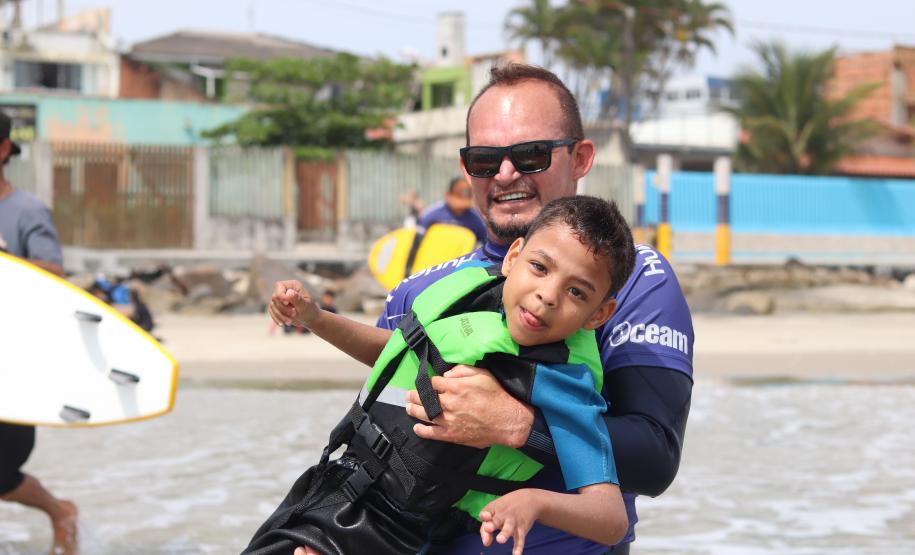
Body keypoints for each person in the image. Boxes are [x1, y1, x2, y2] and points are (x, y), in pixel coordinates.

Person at [276, 63, 694, 555]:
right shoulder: (420, 291)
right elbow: (383, 457)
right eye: (484, 159)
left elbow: (654, 460)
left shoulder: (633, 281)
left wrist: (519, 428)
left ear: (580, 157)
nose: (506, 173)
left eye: (532, 155)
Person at [254, 196, 634, 555]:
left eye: (577, 293)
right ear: (513, 257)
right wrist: (316, 318)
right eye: (539, 267)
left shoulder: (563, 378)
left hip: (390, 532)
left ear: (599, 314)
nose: (548, 295)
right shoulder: (476, 294)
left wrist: (536, 502)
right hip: (330, 483)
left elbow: (610, 518)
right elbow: (401, 352)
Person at [0, 110, 79, 555]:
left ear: (4, 149)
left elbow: (54, 274)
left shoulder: (26, 210)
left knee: (1, 474)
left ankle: (59, 510)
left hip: (12, 364)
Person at [418, 176, 487, 244]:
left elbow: (484, 242)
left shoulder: (476, 219)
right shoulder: (431, 214)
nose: (462, 200)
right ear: (448, 194)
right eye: (459, 195)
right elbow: (418, 239)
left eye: (467, 195)